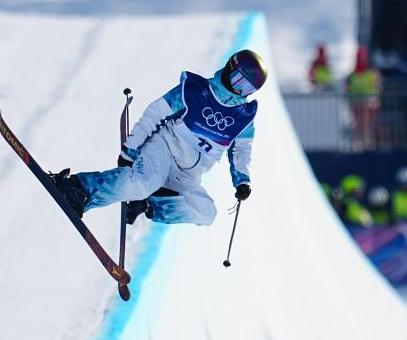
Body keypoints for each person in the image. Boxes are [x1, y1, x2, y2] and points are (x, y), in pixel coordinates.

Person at [51, 50, 267, 226]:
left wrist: (242, 180)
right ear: (230, 68)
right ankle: (79, 188)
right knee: (142, 183)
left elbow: (241, 150)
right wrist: (130, 150)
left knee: (206, 212)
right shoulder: (194, 91)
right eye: (238, 80)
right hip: (164, 150)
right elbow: (155, 113)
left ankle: (149, 205)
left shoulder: (244, 117)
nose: (239, 89)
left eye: (247, 87)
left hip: (188, 173)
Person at [346, 46, 380, 150]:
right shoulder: (352, 75)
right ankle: (359, 143)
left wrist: (374, 100)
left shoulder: (371, 74)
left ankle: (368, 143)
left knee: (368, 124)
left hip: (368, 103)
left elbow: (376, 87)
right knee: (359, 124)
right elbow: (348, 88)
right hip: (357, 103)